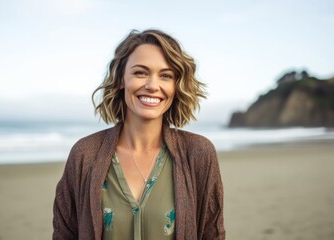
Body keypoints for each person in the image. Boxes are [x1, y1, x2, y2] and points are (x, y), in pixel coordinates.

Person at [53, 29, 225, 240]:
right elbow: (64, 234)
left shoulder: (198, 153)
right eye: (140, 72)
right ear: (120, 79)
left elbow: (212, 233)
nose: (153, 86)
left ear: (175, 86)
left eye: (166, 75)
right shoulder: (84, 154)